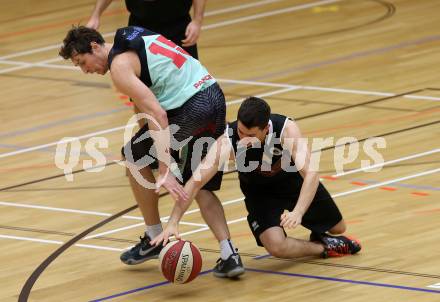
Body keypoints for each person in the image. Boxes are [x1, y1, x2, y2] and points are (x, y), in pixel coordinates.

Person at [59, 25, 245, 278]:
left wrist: (165, 169)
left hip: (189, 108)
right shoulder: (133, 36)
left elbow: (157, 113)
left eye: (83, 62)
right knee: (199, 183)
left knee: (133, 154)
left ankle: (154, 236)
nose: (85, 70)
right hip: (213, 95)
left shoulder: (119, 68)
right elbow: (145, 110)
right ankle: (229, 253)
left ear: (94, 46)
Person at [152, 97, 362, 259]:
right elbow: (196, 181)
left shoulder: (286, 129)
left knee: (338, 227)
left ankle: (324, 234)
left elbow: (311, 174)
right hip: (260, 194)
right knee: (276, 246)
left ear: (266, 129)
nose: (243, 139)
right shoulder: (228, 140)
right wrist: (173, 220)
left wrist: (298, 212)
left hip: (293, 185)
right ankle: (324, 246)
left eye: (250, 135)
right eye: (241, 132)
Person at [86, 0, 205, 59]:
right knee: (141, 85)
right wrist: (96, 15)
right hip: (140, 28)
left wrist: (197, 20)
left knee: (188, 82)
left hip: (178, 25)